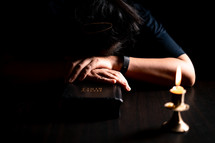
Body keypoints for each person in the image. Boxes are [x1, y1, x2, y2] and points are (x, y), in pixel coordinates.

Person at [1, 0, 195, 91]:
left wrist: (115, 62)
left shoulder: (135, 14)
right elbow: (7, 69)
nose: (94, 59)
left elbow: (187, 72)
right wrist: (73, 68)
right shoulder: (49, 12)